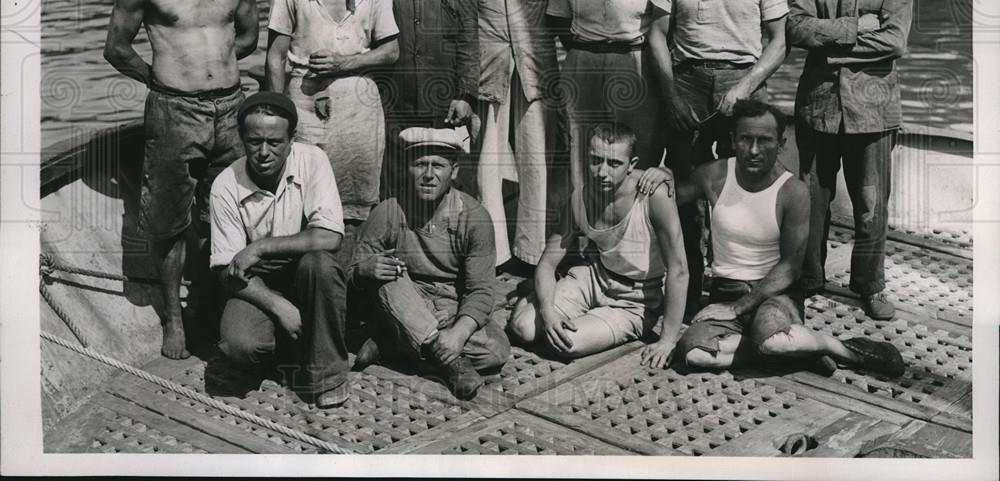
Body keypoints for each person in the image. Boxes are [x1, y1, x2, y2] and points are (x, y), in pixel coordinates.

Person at [103, 0, 259, 359]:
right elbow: (116, 48)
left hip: (230, 109)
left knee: (232, 212)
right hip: (174, 111)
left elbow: (248, 36)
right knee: (169, 222)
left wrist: (214, 63)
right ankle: (173, 317)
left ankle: (214, 309)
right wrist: (162, 78)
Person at [673, 100, 905, 378]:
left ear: (781, 144)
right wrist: (658, 177)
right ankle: (799, 351)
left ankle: (843, 349)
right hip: (727, 291)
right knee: (694, 354)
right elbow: (672, 196)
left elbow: (791, 268)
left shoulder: (792, 191)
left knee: (774, 341)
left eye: (765, 141)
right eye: (746, 139)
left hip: (775, 294)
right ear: (733, 140)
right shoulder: (714, 175)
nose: (754, 150)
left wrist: (736, 308)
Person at [647, 0, 789, 316]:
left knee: (744, 189)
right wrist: (671, 96)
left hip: (743, 82)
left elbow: (779, 42)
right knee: (687, 192)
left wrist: (744, 88)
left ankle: (740, 289)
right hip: (687, 82)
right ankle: (688, 288)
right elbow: (656, 35)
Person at [786, 0, 914, 321]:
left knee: (870, 205)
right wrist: (858, 27)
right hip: (816, 107)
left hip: (873, 111)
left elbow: (895, 41)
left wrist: (830, 46)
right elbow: (796, 29)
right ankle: (808, 278)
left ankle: (869, 285)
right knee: (811, 201)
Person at [450, 0, 567, 269]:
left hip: (538, 68)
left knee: (537, 161)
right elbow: (454, 15)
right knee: (485, 164)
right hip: (487, 71)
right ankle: (491, 254)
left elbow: (567, 9)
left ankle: (532, 255)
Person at [265, 0, 399, 230]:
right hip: (306, 103)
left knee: (358, 202)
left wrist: (344, 64)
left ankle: (353, 261)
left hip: (360, 105)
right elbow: (276, 57)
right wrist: (278, 117)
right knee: (304, 197)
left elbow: (390, 51)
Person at [210, 92, 351, 408]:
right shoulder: (224, 185)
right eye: (254, 141)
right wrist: (278, 306)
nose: (263, 152)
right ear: (241, 138)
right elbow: (225, 270)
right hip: (256, 281)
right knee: (239, 347)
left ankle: (329, 376)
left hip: (307, 271)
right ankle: (290, 348)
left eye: (274, 142)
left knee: (321, 265)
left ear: (292, 139)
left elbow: (331, 238)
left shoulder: (313, 160)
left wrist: (261, 247)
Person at [507, 123, 688, 367]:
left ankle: (546, 300)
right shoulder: (580, 197)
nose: (602, 172)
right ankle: (542, 296)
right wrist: (548, 310)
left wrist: (667, 340)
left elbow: (679, 270)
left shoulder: (652, 195)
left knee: (565, 342)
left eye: (614, 163)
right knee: (523, 328)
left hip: (635, 299)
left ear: (632, 164)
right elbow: (547, 264)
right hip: (594, 277)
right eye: (595, 160)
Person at [350, 127, 509, 400]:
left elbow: (481, 290)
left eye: (438, 165)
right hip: (402, 298)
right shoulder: (388, 211)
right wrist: (364, 271)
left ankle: (393, 343)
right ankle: (450, 362)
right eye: (420, 164)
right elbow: (348, 277)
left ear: (454, 171)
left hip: (450, 304)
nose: (428, 174)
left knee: (496, 351)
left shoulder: (474, 217)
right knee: (386, 275)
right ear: (407, 168)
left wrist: (459, 332)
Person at [548, 0, 671, 194]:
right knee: (581, 151)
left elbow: (666, 26)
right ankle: (582, 219)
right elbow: (559, 22)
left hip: (636, 62)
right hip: (583, 64)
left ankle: (635, 220)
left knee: (638, 150)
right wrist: (588, 51)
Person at [363, 0, 480, 198]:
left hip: (441, 103)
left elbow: (469, 39)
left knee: (436, 184)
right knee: (389, 185)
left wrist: (466, 96)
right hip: (385, 101)